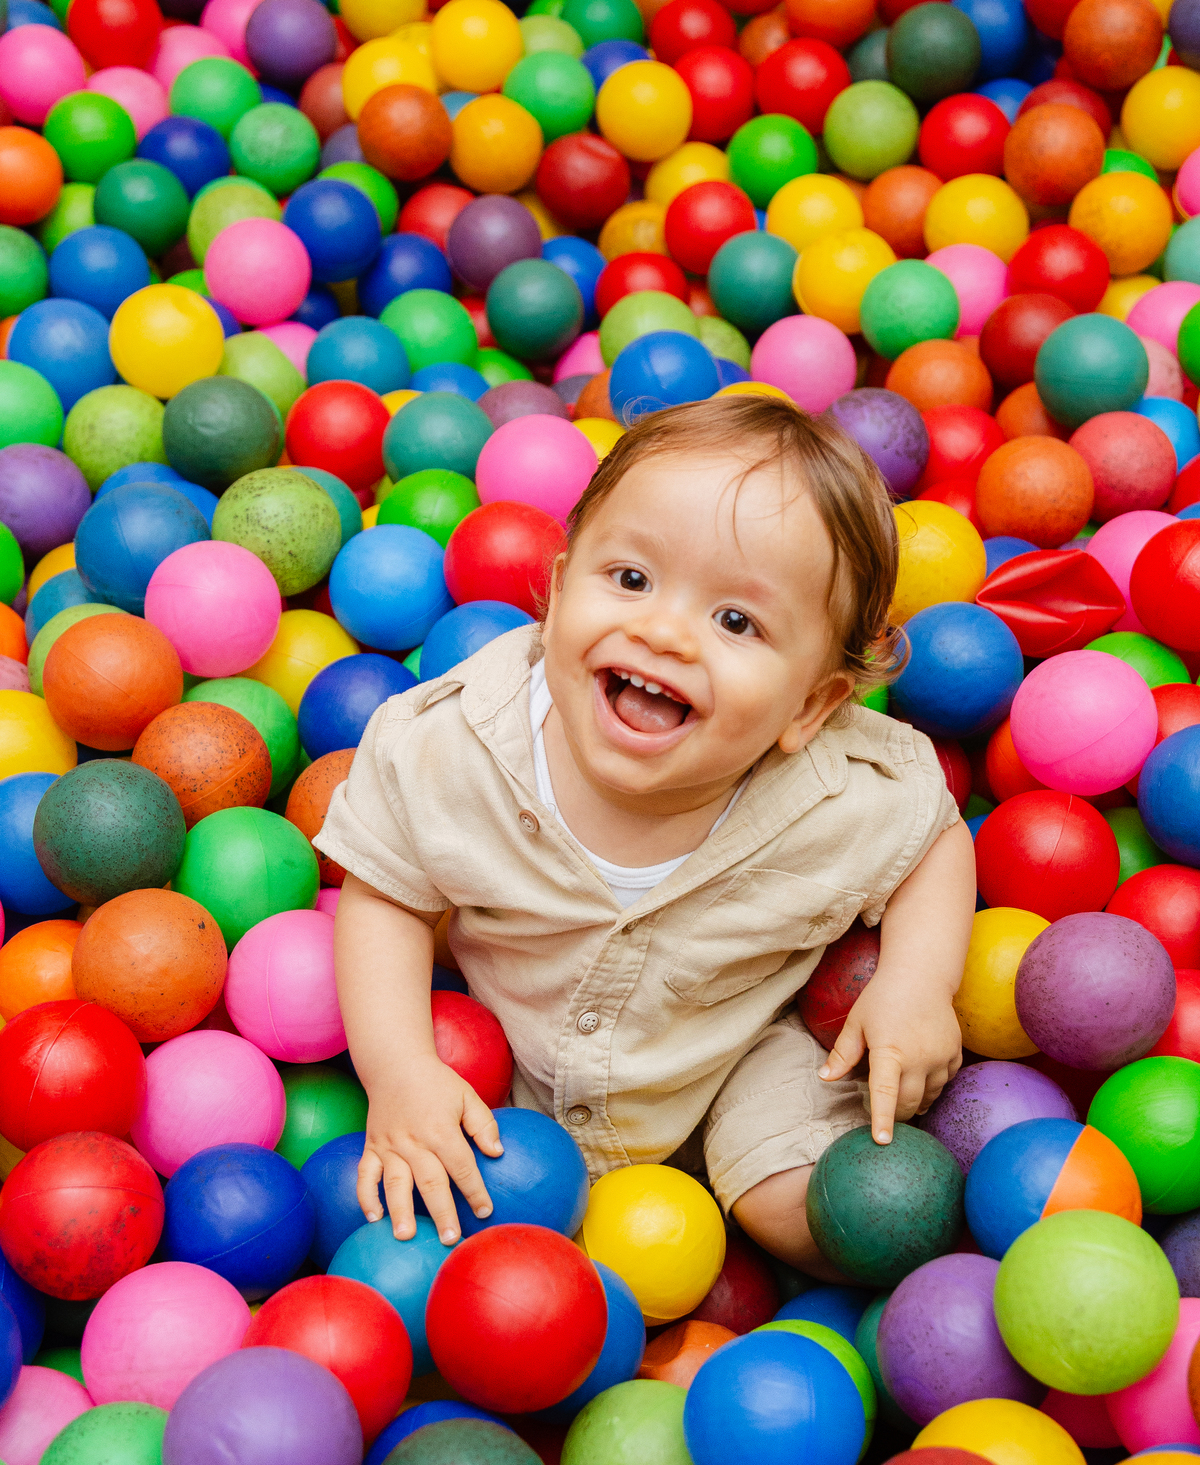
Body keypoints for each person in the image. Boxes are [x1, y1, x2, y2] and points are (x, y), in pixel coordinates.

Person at [317, 394, 977, 1274]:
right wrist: (400, 1075)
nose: (664, 631)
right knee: (459, 1222)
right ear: (557, 593)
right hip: (504, 1061)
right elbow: (385, 898)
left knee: (831, 1217)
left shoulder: (836, 796)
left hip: (732, 1056)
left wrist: (917, 984)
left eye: (736, 622)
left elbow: (934, 838)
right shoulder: (452, 749)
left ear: (810, 707)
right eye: (630, 579)